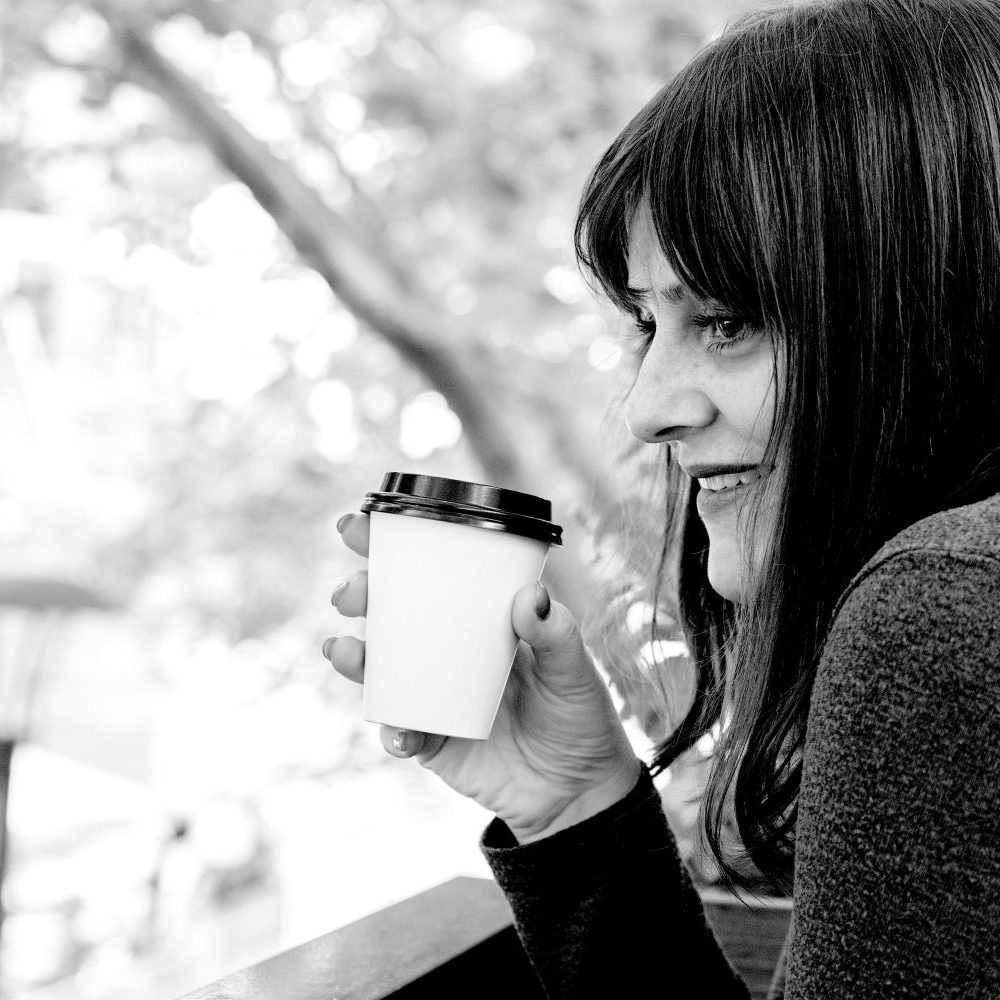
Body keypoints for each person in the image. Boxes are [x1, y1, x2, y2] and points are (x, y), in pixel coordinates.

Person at [323, 0, 1000, 995]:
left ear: (934, 306)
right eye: (648, 323)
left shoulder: (944, 607)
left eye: (725, 319)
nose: (645, 411)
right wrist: (571, 804)